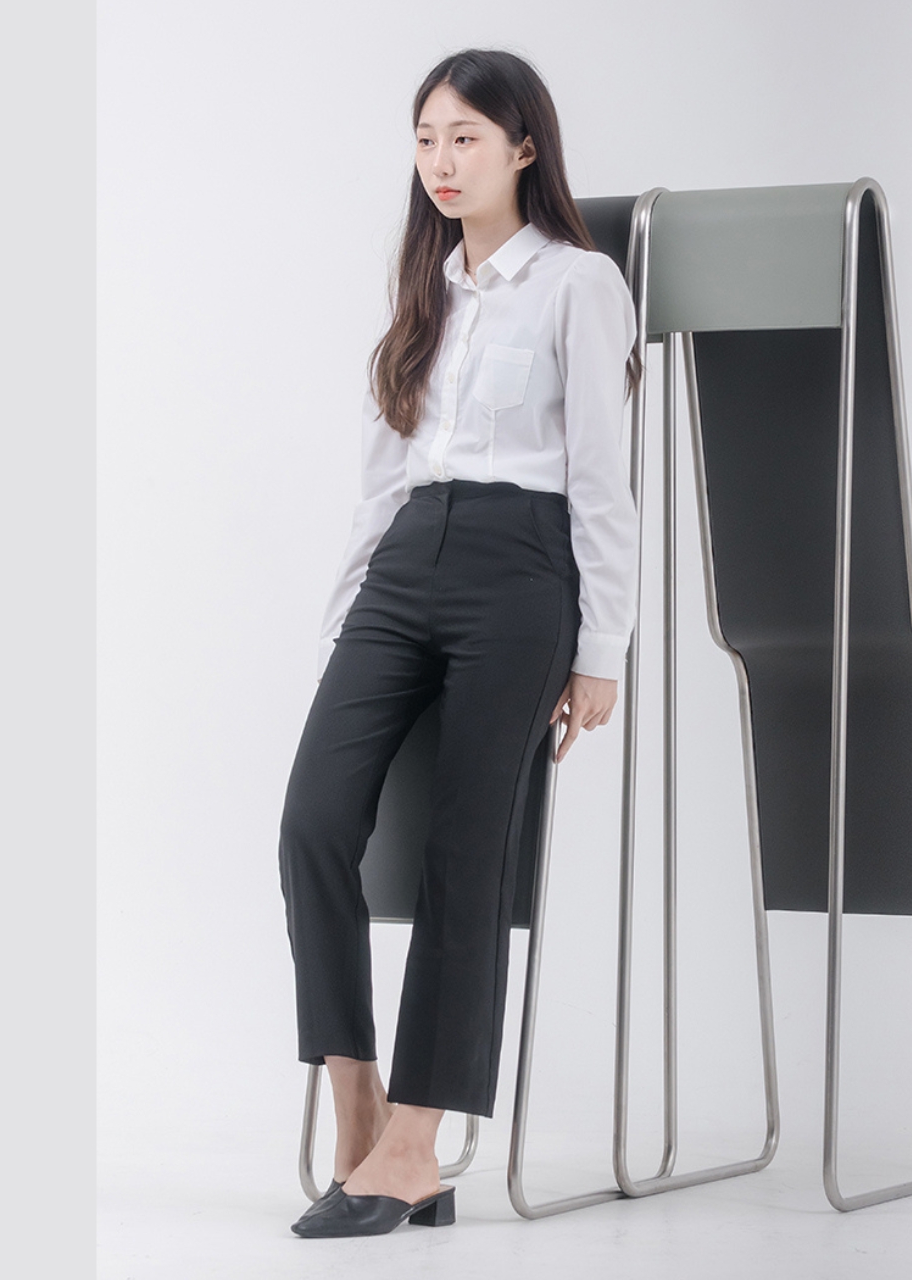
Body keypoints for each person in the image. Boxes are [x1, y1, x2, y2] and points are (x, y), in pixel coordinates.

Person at [277, 48, 640, 1239]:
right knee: (313, 821)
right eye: (426, 136)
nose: (441, 160)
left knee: (464, 851)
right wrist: (343, 621)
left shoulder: (578, 284)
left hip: (520, 573)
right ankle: (359, 1099)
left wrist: (601, 647)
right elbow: (378, 482)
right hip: (403, 566)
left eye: (465, 137)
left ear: (523, 147)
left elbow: (602, 480)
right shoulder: (423, 287)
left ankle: (416, 1143)